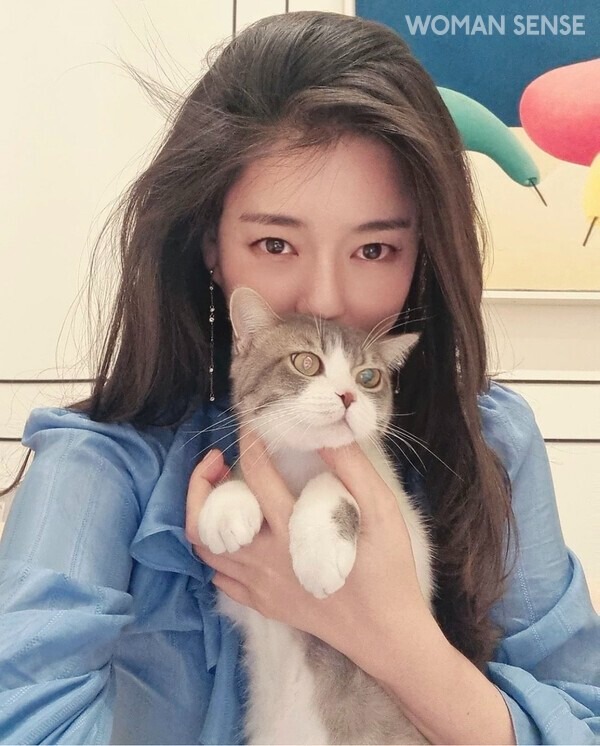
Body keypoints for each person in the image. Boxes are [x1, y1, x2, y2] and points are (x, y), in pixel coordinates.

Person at [0, 10, 598, 745]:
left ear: (422, 255)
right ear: (212, 246)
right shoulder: (101, 465)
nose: (324, 300)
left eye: (374, 250)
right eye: (276, 243)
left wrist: (395, 640)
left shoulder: (493, 439)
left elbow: (583, 717)